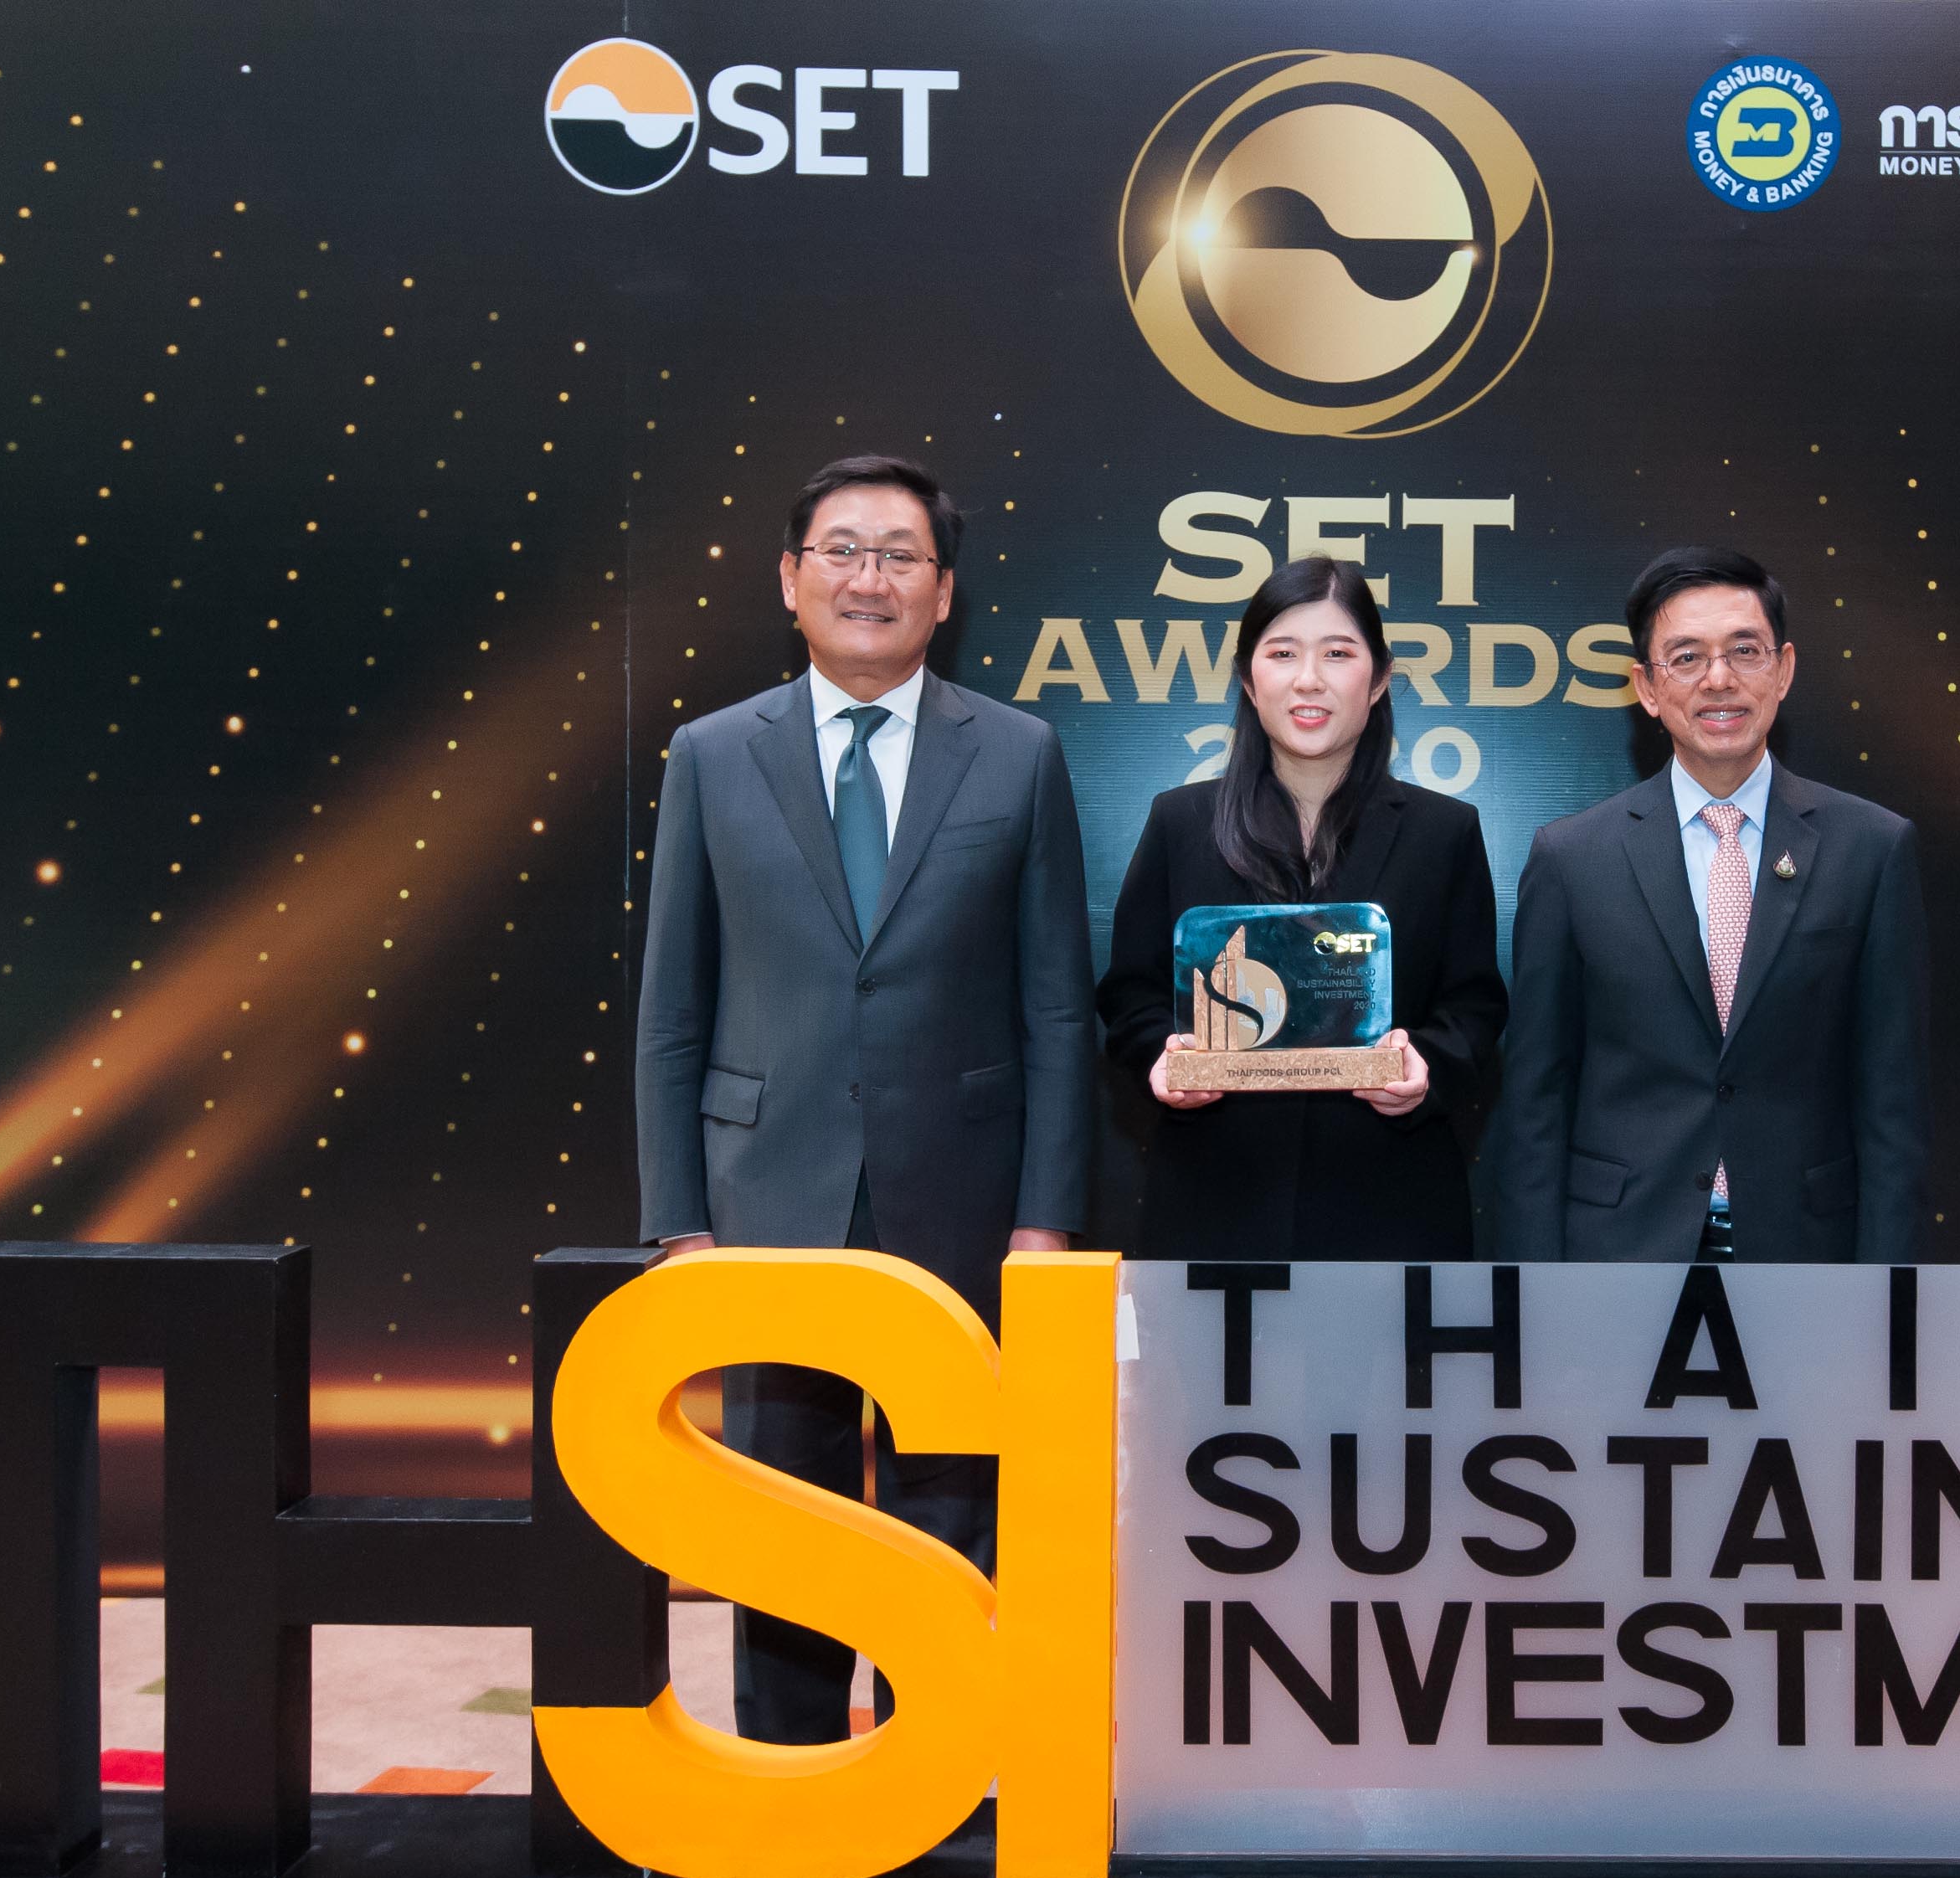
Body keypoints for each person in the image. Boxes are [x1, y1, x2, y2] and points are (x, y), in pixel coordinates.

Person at [635, 452, 1098, 1747]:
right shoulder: (711, 754)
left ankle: (934, 1768)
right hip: (764, 1200)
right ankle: (789, 1780)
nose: (868, 577)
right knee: (782, 1514)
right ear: (790, 579)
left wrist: (1045, 1220)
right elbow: (672, 1008)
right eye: (841, 550)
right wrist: (678, 1220)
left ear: (943, 593)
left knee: (949, 1519)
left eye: (899, 555)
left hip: (962, 1199)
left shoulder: (1017, 753)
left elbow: (1056, 1008)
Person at [1495, 543, 1927, 1264]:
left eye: (1744, 651)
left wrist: (1888, 1288)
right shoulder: (1571, 858)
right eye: (1687, 657)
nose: (1719, 679)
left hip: (1806, 1256)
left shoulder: (1871, 848)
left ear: (1783, 670)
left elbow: (1893, 1101)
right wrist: (1534, 1290)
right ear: (1647, 687)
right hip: (1619, 1256)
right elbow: (1536, 1100)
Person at [1098, 555, 1507, 1259]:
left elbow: (1474, 1007)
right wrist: (1163, 1059)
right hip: (1213, 1206)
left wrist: (1425, 1069)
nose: (1309, 679)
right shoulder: (1179, 822)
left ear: (1378, 679)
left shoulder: (1444, 832)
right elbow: (1131, 996)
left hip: (1392, 1210)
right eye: (1282, 653)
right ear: (1248, 679)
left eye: (1338, 653)